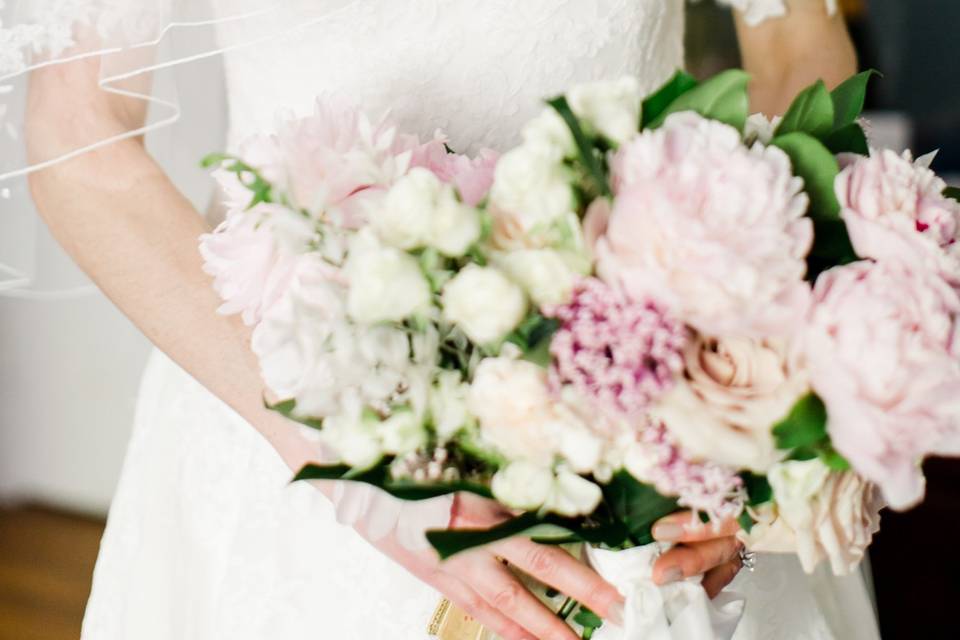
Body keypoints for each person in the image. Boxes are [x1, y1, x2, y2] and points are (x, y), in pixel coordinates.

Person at [17, 1, 874, 638]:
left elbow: (796, 45)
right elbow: (76, 131)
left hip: (653, 395)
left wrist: (760, 381)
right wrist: (347, 454)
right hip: (287, 400)